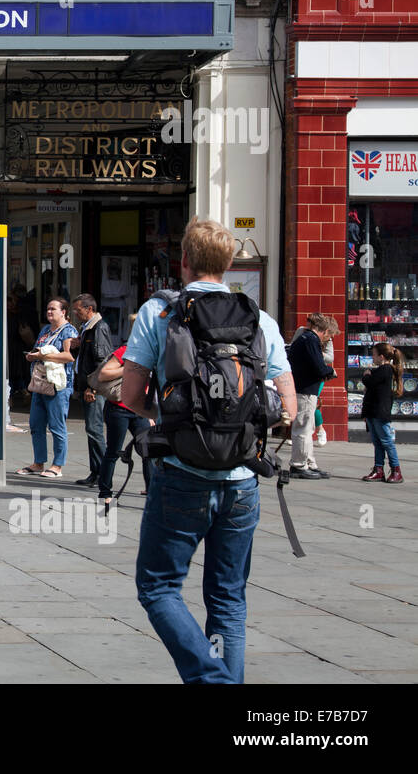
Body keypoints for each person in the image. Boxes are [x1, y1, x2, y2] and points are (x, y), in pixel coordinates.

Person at [121, 217, 297, 684]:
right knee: (228, 598)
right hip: (242, 480)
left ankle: (212, 680)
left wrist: (171, 418)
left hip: (181, 473)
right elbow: (289, 409)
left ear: (183, 260)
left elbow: (132, 396)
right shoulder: (261, 321)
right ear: (230, 263)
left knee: (158, 586)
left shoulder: (159, 314)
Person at [15, 298, 78, 478]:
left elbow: (68, 356)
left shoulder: (68, 331)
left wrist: (43, 355)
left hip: (58, 385)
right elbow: (37, 350)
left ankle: (57, 465)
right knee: (36, 424)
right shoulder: (44, 330)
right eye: (48, 309)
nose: (49, 312)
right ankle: (38, 462)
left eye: (53, 309)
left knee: (57, 425)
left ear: (63, 312)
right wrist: (33, 355)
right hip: (40, 382)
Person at [92, 340, 152, 512]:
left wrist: (152, 413)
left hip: (140, 409)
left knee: (149, 450)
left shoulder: (153, 353)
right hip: (119, 408)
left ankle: (152, 493)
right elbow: (103, 374)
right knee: (113, 451)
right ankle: (105, 493)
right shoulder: (126, 350)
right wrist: (130, 369)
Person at [287, 313, 339, 479]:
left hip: (304, 388)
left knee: (308, 428)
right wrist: (330, 371)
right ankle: (299, 465)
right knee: (303, 428)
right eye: (329, 335)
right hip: (305, 389)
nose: (328, 339)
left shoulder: (305, 338)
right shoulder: (311, 340)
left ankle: (309, 462)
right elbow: (318, 366)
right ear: (323, 331)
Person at [71, 293, 114, 487]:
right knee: (91, 429)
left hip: (93, 388)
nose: (75, 313)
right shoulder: (87, 328)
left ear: (89, 309)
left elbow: (101, 360)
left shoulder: (99, 328)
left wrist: (92, 388)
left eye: (78, 310)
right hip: (87, 386)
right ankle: (95, 472)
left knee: (94, 429)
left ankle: (103, 474)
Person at [361, 341, 404, 483]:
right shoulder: (380, 370)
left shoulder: (385, 369)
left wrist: (366, 375)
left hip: (380, 412)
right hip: (373, 411)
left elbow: (370, 382)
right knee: (377, 441)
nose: (372, 358)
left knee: (386, 441)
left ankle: (396, 470)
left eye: (373, 355)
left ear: (381, 356)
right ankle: (378, 469)